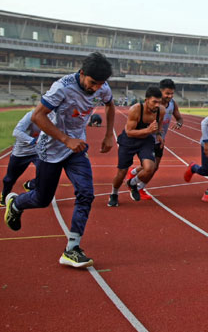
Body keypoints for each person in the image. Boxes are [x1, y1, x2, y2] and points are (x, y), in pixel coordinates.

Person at [4, 52, 115, 268]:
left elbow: (110, 104)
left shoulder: (102, 87)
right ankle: (16, 203)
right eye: (92, 83)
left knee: (86, 193)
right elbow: (38, 116)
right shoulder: (61, 88)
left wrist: (109, 134)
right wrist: (65, 139)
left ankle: (72, 249)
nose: (95, 89)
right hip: (51, 148)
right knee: (42, 199)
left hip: (76, 150)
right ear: (82, 73)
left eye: (100, 84)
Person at [124, 79, 183, 197]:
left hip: (160, 138)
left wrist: (179, 123)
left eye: (172, 93)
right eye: (167, 93)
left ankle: (135, 176)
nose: (170, 96)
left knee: (155, 167)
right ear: (160, 91)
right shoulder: (153, 105)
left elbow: (179, 117)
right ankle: (136, 186)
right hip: (147, 139)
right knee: (151, 166)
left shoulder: (172, 104)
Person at [107, 86, 165, 207]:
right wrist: (148, 130)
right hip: (129, 141)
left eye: (159, 102)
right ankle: (114, 194)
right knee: (121, 172)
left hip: (145, 141)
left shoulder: (161, 110)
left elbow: (158, 126)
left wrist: (159, 135)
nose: (156, 105)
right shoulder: (136, 109)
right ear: (146, 100)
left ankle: (132, 183)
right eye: (154, 102)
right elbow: (129, 132)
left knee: (150, 168)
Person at [1, 110, 40, 207]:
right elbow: (16, 132)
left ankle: (30, 185)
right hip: (21, 152)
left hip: (38, 152)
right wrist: (33, 141)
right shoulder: (31, 115)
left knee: (46, 172)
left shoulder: (55, 117)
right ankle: (4, 195)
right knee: (9, 179)